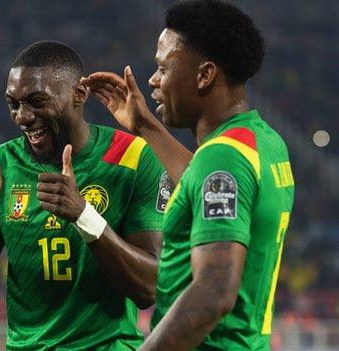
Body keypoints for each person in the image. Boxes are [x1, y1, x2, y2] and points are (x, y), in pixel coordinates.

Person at [81, 0, 295, 349]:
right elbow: (200, 182)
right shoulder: (262, 141)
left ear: (205, 74)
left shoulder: (222, 159)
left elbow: (213, 293)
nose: (153, 80)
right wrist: (144, 124)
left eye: (163, 68)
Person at [0, 40, 168, 350]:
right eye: (13, 103)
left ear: (79, 94)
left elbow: (149, 289)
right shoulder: (0, 166)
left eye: (37, 101)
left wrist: (85, 216)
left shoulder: (133, 158)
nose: (22, 116)